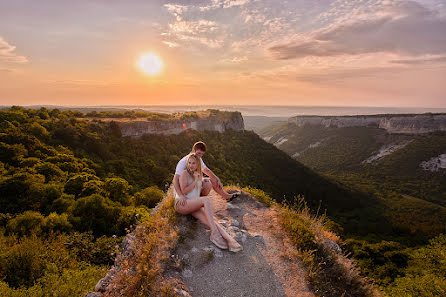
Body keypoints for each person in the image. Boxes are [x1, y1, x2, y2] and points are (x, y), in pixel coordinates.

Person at [173, 142, 242, 251]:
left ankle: (231, 241)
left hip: (192, 204)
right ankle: (214, 234)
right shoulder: (184, 167)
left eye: (194, 163)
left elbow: (206, 171)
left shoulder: (198, 164)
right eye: (190, 163)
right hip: (182, 203)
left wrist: (214, 178)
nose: (191, 164)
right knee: (206, 200)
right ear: (193, 151)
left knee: (213, 221)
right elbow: (176, 182)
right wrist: (181, 195)